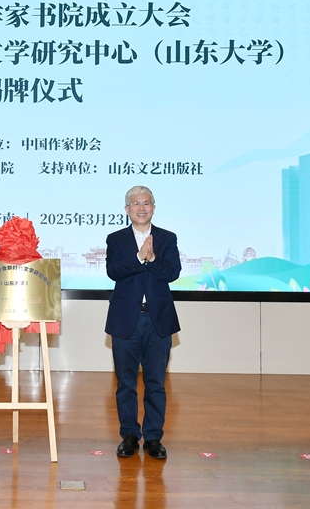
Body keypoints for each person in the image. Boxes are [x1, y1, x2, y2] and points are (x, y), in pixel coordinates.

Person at [105, 185, 181, 459]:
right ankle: (129, 435)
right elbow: (114, 271)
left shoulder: (167, 238)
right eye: (135, 203)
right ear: (127, 209)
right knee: (126, 383)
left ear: (153, 208)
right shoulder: (116, 239)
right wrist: (139, 259)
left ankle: (153, 437)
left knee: (156, 383)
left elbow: (172, 272)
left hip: (158, 320)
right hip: (126, 320)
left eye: (146, 203)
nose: (141, 207)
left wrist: (153, 259)